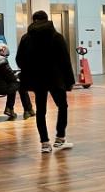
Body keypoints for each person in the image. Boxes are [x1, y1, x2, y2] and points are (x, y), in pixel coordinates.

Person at [16, 10, 76, 154]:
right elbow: (65, 61)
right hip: (56, 78)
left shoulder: (26, 38)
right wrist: (69, 81)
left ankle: (44, 143)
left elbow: (19, 60)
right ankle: (60, 138)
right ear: (46, 19)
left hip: (37, 80)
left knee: (41, 111)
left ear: (33, 20)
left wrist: (30, 70)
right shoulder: (56, 37)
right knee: (62, 106)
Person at [0, 43, 35, 120]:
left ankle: (11, 109)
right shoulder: (1, 60)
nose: (6, 57)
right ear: (3, 49)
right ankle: (27, 110)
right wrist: (18, 75)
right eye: (6, 55)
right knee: (20, 84)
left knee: (14, 85)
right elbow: (11, 77)